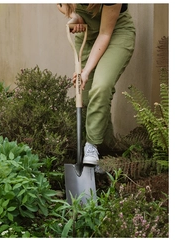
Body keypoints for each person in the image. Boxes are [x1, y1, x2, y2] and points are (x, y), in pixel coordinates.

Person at [57, 4, 136, 167]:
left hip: (114, 33)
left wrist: (85, 72)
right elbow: (61, 5)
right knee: (85, 98)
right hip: (87, 35)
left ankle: (92, 146)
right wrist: (75, 17)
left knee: (101, 87)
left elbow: (105, 33)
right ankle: (108, 153)